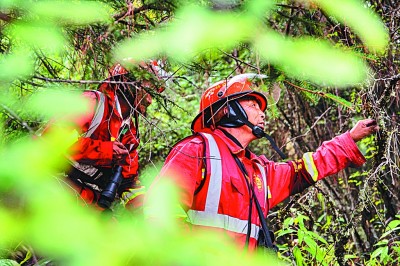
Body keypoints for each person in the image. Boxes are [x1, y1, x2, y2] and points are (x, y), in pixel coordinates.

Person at [145, 73, 379, 251]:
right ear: (228, 111)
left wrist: (350, 138)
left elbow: (306, 169)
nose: (262, 112)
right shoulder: (196, 150)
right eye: (253, 105)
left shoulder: (258, 171)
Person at [45, 60, 166, 210]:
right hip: (51, 185)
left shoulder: (129, 132)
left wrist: (148, 213)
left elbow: (129, 183)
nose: (149, 100)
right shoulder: (90, 103)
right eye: (149, 88)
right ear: (127, 81)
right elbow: (52, 142)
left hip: (88, 200)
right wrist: (106, 151)